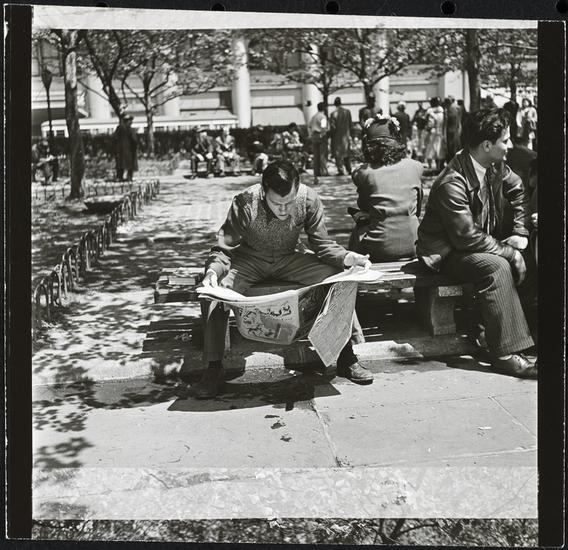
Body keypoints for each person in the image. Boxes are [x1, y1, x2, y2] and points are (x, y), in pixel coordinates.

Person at [194, 160, 374, 398]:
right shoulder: (245, 202)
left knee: (339, 280)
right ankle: (213, 367)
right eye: (276, 203)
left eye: (289, 202)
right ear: (263, 191)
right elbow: (224, 249)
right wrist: (212, 272)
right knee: (212, 292)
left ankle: (345, 356)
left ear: (297, 189)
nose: (283, 209)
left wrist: (349, 258)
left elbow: (322, 244)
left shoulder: (309, 199)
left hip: (290, 258)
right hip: (249, 260)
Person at [417, 108, 537, 379]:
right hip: (445, 253)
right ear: (486, 145)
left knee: (529, 256)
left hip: (476, 244)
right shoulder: (451, 181)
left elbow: (518, 191)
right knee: (497, 266)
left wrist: (520, 232)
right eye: (505, 140)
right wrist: (510, 253)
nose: (509, 146)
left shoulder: (494, 165)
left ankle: (502, 334)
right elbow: (465, 237)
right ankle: (504, 356)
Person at [348, 115, 423, 262]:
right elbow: (418, 209)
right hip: (414, 243)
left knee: (358, 230)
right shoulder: (416, 167)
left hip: (379, 248)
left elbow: (364, 206)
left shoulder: (362, 172)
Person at [330, 97, 353, 175]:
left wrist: (330, 135)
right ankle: (349, 169)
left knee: (338, 154)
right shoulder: (347, 112)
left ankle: (340, 170)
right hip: (346, 136)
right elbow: (350, 124)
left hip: (337, 136)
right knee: (346, 153)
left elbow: (333, 127)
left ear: (334, 104)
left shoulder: (333, 114)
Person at [113, 114, 138, 181]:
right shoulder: (131, 129)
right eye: (130, 120)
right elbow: (134, 140)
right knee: (130, 164)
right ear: (128, 121)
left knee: (120, 164)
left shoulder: (119, 128)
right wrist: (135, 147)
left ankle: (120, 177)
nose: (131, 122)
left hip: (120, 150)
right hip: (130, 150)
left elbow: (114, 138)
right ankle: (129, 177)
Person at [308, 102, 329, 182]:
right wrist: (322, 135)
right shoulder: (323, 116)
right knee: (322, 154)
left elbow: (309, 126)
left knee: (316, 155)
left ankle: (316, 172)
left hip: (314, 136)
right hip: (320, 136)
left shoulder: (314, 116)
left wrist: (311, 135)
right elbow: (323, 127)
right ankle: (324, 171)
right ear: (324, 108)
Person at [424, 96, 446, 171]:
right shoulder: (442, 112)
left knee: (430, 149)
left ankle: (430, 166)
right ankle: (439, 167)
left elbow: (430, 124)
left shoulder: (430, 112)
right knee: (439, 149)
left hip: (432, 132)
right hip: (441, 132)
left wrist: (427, 129)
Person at [444, 95, 462, 163]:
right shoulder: (456, 108)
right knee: (454, 147)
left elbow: (458, 120)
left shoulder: (451, 108)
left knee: (452, 147)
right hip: (453, 129)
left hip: (452, 130)